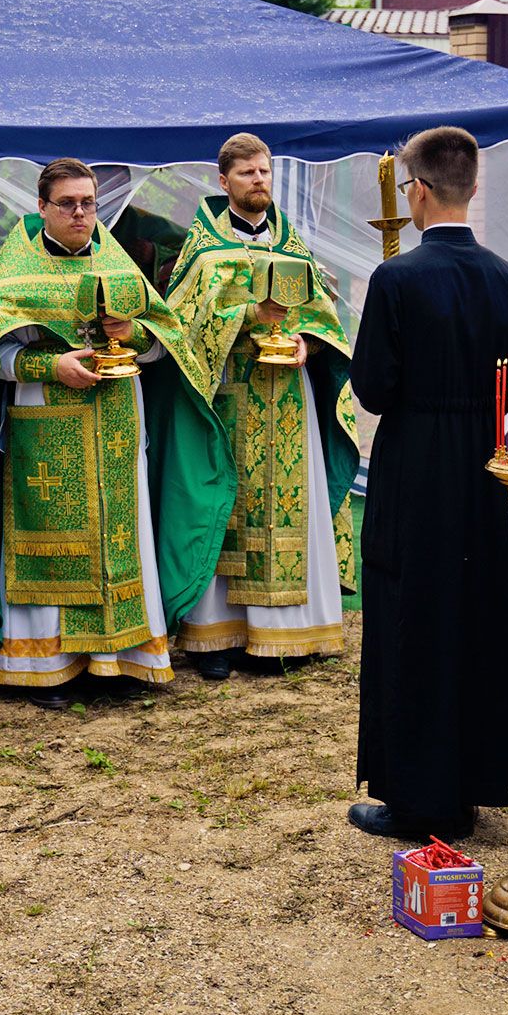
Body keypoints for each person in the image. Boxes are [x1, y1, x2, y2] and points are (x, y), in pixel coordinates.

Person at [0, 158, 233, 705]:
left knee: (118, 534)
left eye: (89, 202)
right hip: (45, 420)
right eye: (68, 204)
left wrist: (136, 331)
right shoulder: (16, 270)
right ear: (42, 208)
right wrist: (50, 367)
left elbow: (162, 342)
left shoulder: (119, 264)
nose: (81, 213)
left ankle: (120, 658)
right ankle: (47, 665)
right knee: (50, 535)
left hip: (117, 420)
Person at [347, 125, 508, 839]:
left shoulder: (396, 278)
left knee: (412, 615)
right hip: (486, 469)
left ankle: (419, 798)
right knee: (478, 613)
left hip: (417, 463)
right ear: (473, 187)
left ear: (416, 191)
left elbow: (374, 388)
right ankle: (478, 778)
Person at [164, 133, 359, 680]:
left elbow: (324, 316)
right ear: (223, 181)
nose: (259, 182)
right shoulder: (203, 251)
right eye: (248, 173)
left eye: (266, 172)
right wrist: (249, 315)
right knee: (229, 507)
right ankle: (217, 638)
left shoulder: (294, 248)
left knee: (288, 507)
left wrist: (308, 344)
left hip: (289, 404)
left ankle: (284, 635)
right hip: (227, 398)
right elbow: (182, 323)